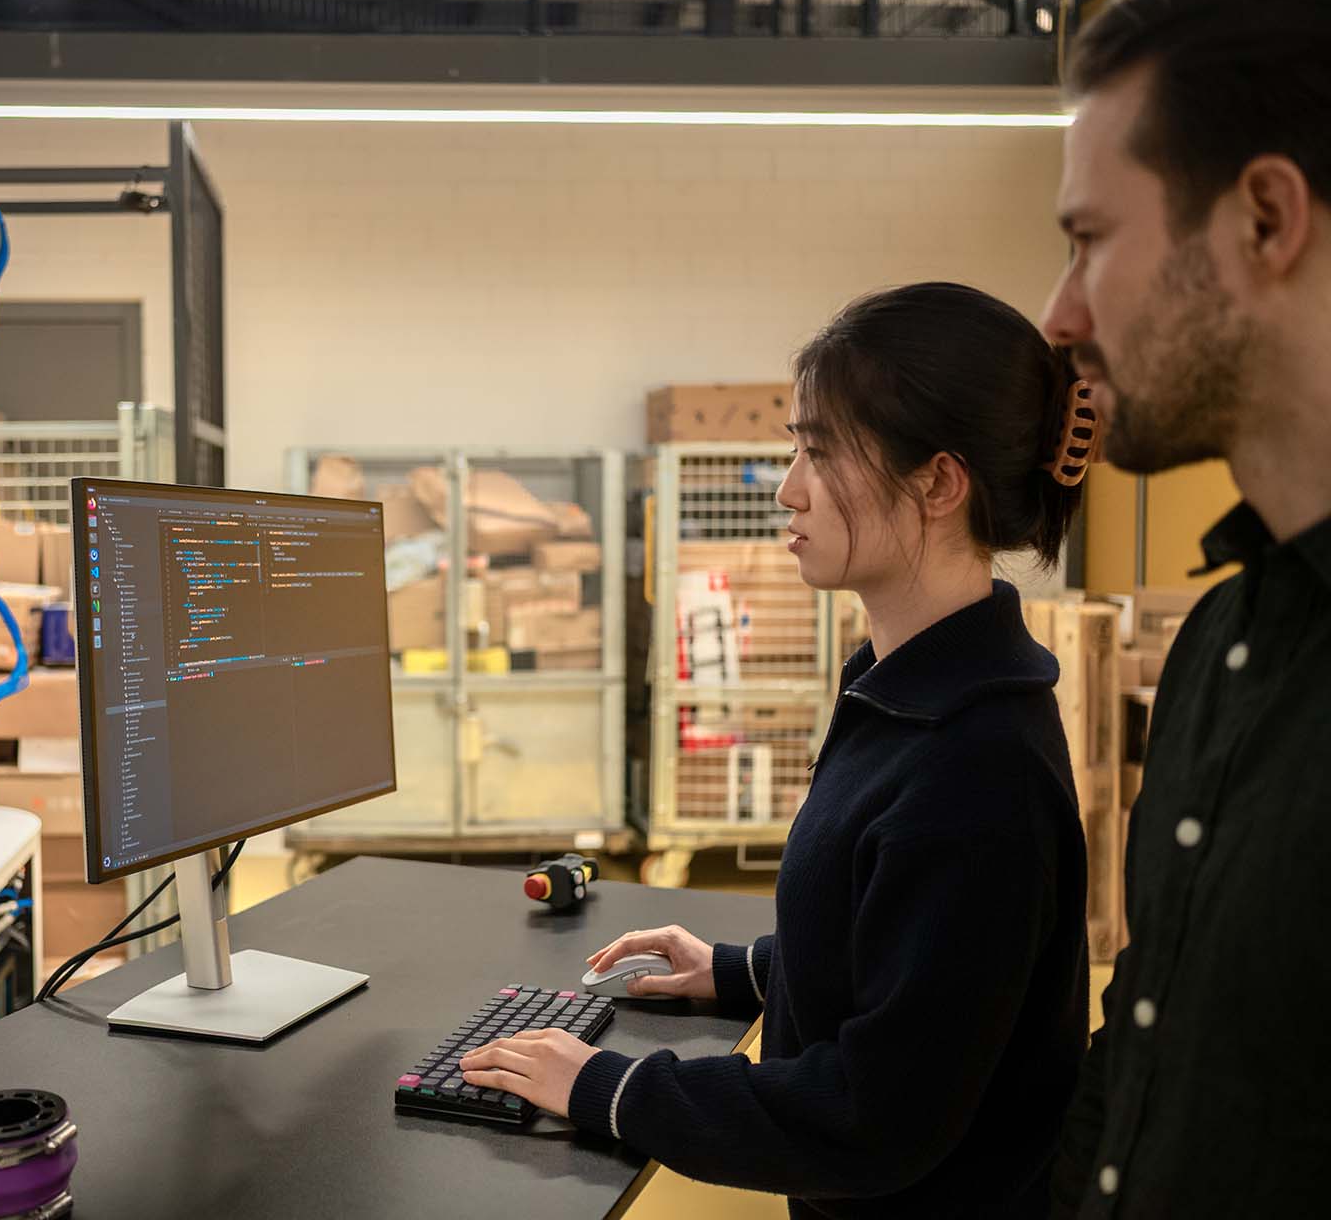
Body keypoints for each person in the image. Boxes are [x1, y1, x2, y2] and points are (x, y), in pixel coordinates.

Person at [461, 282, 1090, 1217]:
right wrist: (740, 971)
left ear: (939, 483)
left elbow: (873, 1118)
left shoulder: (978, 763)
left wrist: (609, 1087)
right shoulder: (898, 686)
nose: (789, 487)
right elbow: (912, 963)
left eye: (821, 451)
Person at [1038, 0, 1331, 1214]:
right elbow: (1144, 1052)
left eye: (1091, 239)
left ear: (1264, 219)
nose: (1060, 310)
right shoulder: (1226, 642)